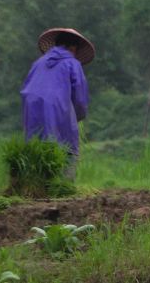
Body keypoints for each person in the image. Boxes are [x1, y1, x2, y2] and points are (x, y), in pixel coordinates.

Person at [20, 28, 94, 181]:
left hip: (32, 111)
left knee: (36, 147)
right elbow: (80, 99)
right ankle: (63, 187)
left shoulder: (38, 63)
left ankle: (36, 185)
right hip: (58, 110)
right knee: (66, 147)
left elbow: (27, 88)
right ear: (73, 48)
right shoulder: (72, 63)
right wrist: (78, 117)